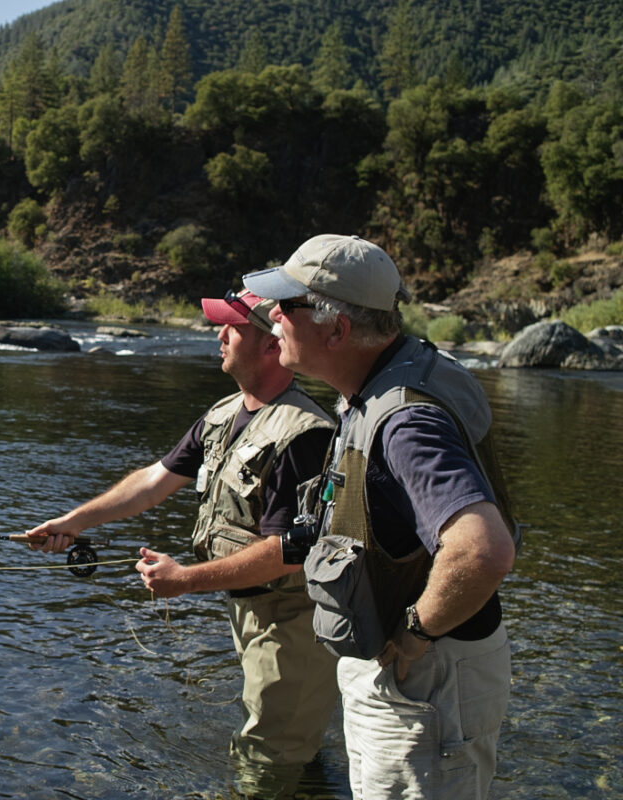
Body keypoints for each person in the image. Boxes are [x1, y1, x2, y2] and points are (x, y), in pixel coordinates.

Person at [27, 289, 339, 793]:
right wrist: (75, 521)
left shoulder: (306, 434)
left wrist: (185, 581)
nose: (218, 336)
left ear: (268, 345)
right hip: (251, 611)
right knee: (288, 745)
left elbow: (289, 553)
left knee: (266, 763)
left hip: (293, 623)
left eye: (231, 328)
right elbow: (154, 481)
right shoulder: (222, 415)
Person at [243, 234, 518, 800]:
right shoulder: (407, 368)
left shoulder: (405, 422)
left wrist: (415, 634)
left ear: (337, 330)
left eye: (285, 307)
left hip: (425, 678)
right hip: (423, 672)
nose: (270, 319)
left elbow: (482, 550)